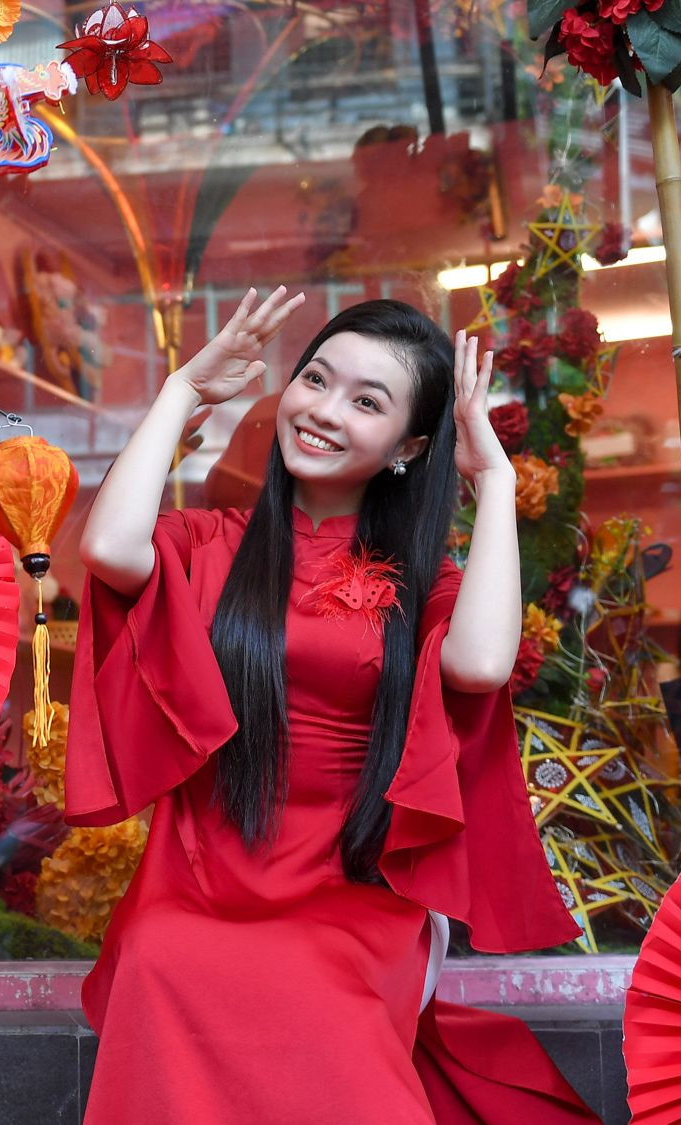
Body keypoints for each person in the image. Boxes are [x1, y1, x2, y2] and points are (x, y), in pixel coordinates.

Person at [67, 290, 598, 1122]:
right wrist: (182, 391)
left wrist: (493, 474)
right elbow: (106, 547)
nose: (322, 410)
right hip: (203, 879)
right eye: (315, 380)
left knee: (328, 1023)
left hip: (355, 892)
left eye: (366, 401)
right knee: (161, 957)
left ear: (408, 447)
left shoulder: (422, 585)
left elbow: (484, 662)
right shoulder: (213, 544)